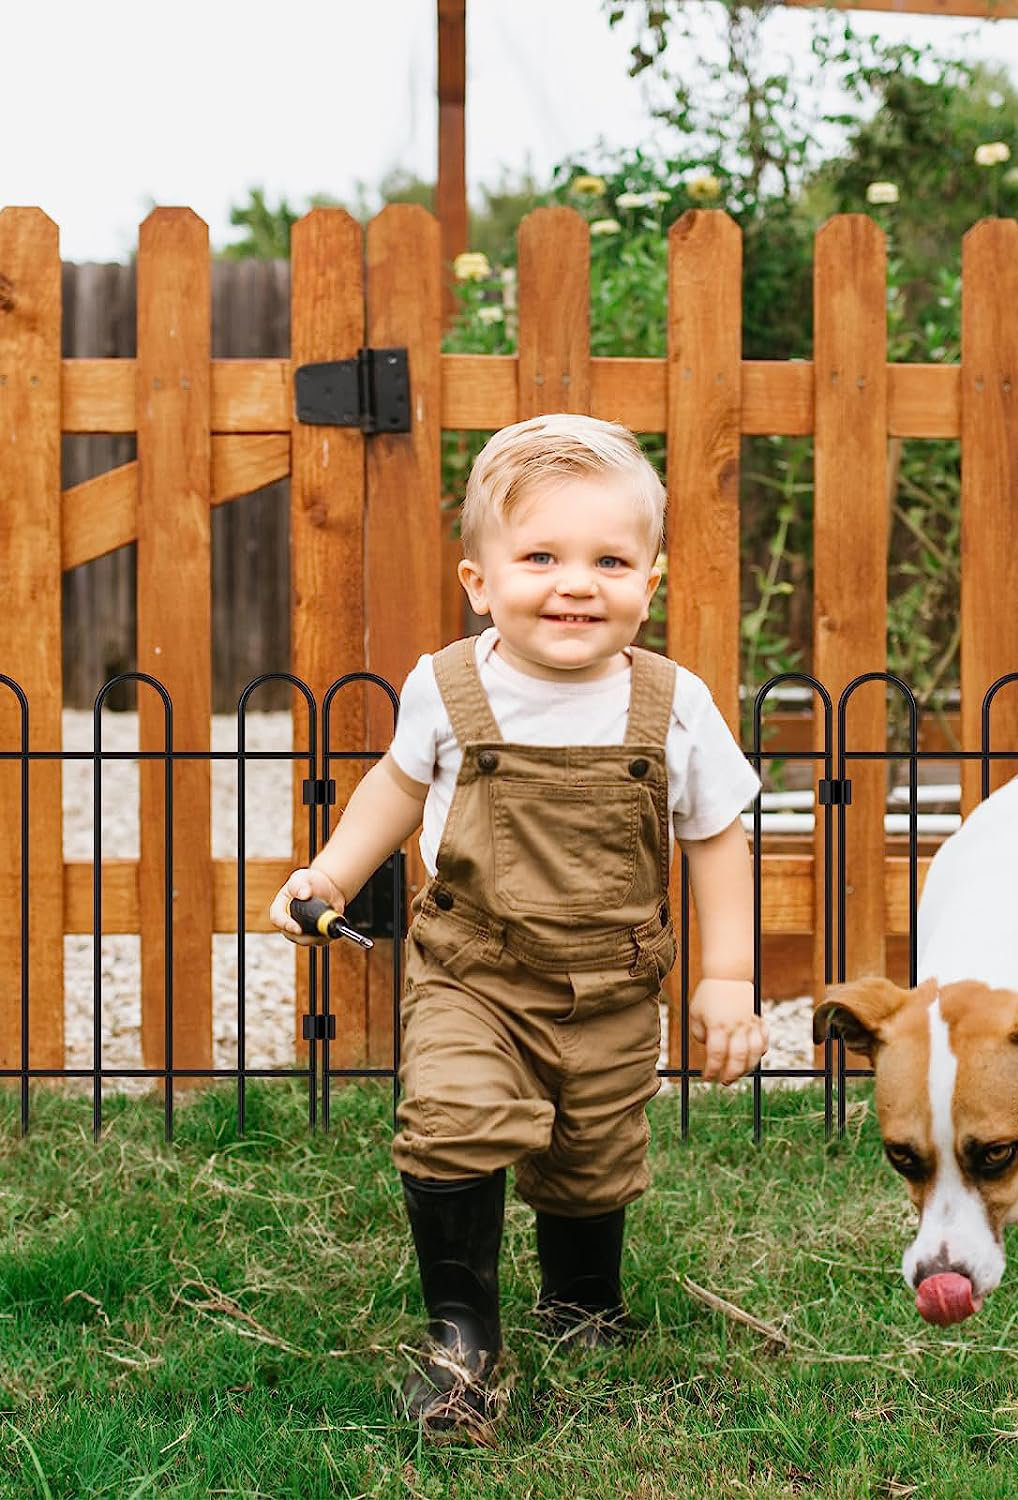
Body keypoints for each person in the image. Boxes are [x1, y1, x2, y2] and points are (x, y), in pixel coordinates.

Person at [269, 412, 767, 1436]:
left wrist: (729, 979)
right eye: (540, 556)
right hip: (473, 974)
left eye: (609, 560)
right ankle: (464, 1341)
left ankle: (582, 1303)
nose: (576, 583)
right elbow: (393, 795)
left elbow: (719, 839)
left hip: (612, 986)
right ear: (480, 582)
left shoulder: (673, 705)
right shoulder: (449, 688)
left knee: (592, 1153)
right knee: (452, 1121)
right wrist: (327, 871)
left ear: (650, 583)